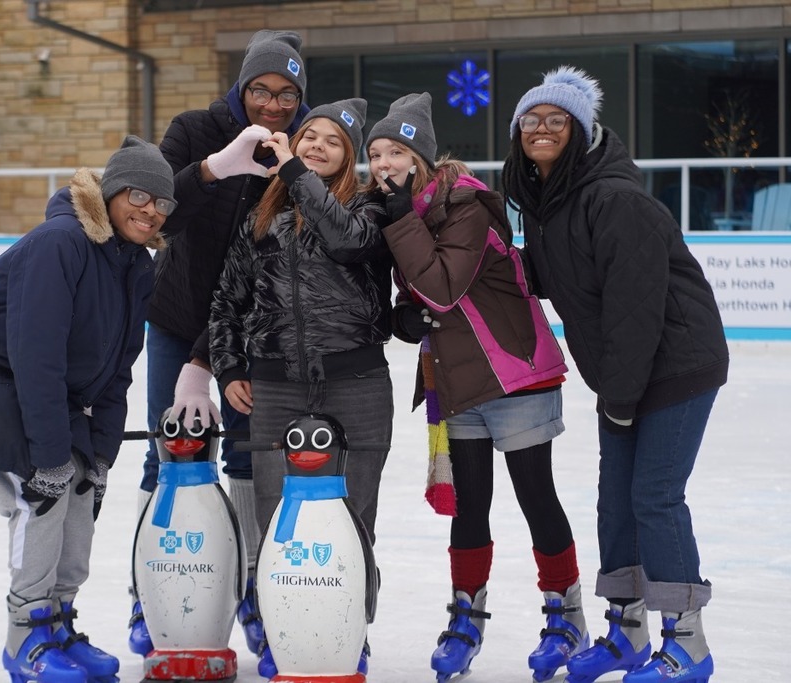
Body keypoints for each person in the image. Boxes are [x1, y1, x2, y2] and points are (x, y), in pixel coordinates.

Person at [502, 67, 729, 683]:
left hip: (678, 363)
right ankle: (626, 632)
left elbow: (635, 308)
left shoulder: (614, 199)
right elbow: (549, 276)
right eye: (531, 119)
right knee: (615, 501)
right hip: (625, 372)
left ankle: (688, 644)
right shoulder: (549, 204)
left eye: (557, 119)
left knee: (654, 496)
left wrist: (620, 399)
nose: (542, 128)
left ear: (580, 130)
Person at [0, 136, 175, 683]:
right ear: (111, 193)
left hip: (54, 390)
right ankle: (25, 636)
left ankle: (57, 624)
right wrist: (46, 455)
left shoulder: (136, 265)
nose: (151, 210)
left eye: (162, 202)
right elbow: (35, 354)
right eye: (138, 195)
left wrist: (100, 456)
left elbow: (118, 368)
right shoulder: (60, 242)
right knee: (42, 495)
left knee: (80, 489)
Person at [366, 92, 588, 683]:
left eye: (395, 151)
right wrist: (401, 316)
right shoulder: (400, 211)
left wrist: (400, 225)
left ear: (420, 158)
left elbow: (441, 287)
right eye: (375, 153)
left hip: (514, 375)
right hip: (459, 380)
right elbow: (420, 295)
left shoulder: (466, 205)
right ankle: (466, 618)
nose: (383, 163)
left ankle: (566, 618)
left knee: (536, 497)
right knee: (470, 507)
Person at [132, 29, 311, 658]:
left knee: (249, 457)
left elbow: (266, 266)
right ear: (242, 86)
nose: (273, 104)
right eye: (261, 89)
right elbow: (158, 216)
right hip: (177, 315)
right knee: (166, 451)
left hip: (252, 328)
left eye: (287, 94)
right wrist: (213, 169)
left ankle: (256, 591)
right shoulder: (194, 129)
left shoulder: (302, 151)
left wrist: (209, 358)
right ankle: (147, 592)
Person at [208, 97, 392, 678]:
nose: (316, 146)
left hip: (356, 381)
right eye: (309, 135)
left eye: (332, 141)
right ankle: (282, 630)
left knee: (354, 521)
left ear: (348, 157)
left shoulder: (369, 208)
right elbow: (227, 299)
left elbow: (345, 240)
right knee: (276, 523)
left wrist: (292, 172)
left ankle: (351, 633)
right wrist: (229, 368)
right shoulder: (261, 217)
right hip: (276, 385)